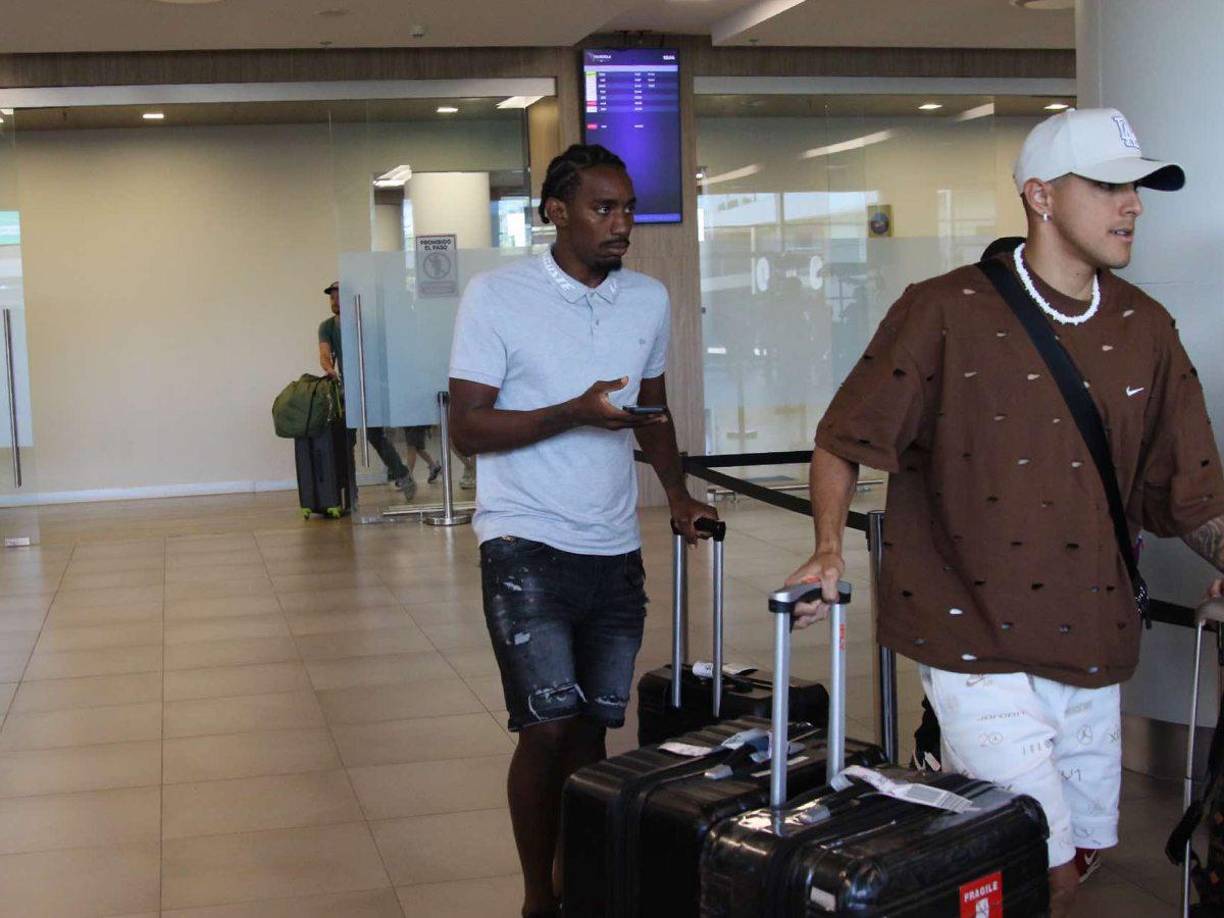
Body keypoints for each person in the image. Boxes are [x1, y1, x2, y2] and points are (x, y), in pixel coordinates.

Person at [786, 107, 1224, 918]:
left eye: (1137, 188)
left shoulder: (1145, 328)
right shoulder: (942, 311)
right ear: (1040, 196)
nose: (1132, 205)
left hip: (1093, 639)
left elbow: (1191, 495)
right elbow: (844, 438)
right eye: (1108, 186)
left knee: (1083, 848)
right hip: (971, 634)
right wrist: (825, 550)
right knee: (1038, 854)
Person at [448, 143, 717, 918]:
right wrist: (572, 410)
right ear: (555, 213)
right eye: (605, 208)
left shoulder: (648, 300)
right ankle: (539, 898)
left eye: (628, 207)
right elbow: (467, 427)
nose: (622, 224)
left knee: (597, 731)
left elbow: (653, 408)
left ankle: (583, 887)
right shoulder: (497, 297)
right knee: (547, 726)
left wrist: (677, 492)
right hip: (523, 542)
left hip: (612, 545)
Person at [317, 281, 417, 498]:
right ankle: (350, 491)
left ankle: (402, 475)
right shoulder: (327, 327)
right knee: (347, 440)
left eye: (337, 296)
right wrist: (329, 369)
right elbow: (325, 353)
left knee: (375, 436)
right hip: (346, 389)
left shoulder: (366, 325)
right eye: (331, 297)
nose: (334, 300)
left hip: (370, 386)